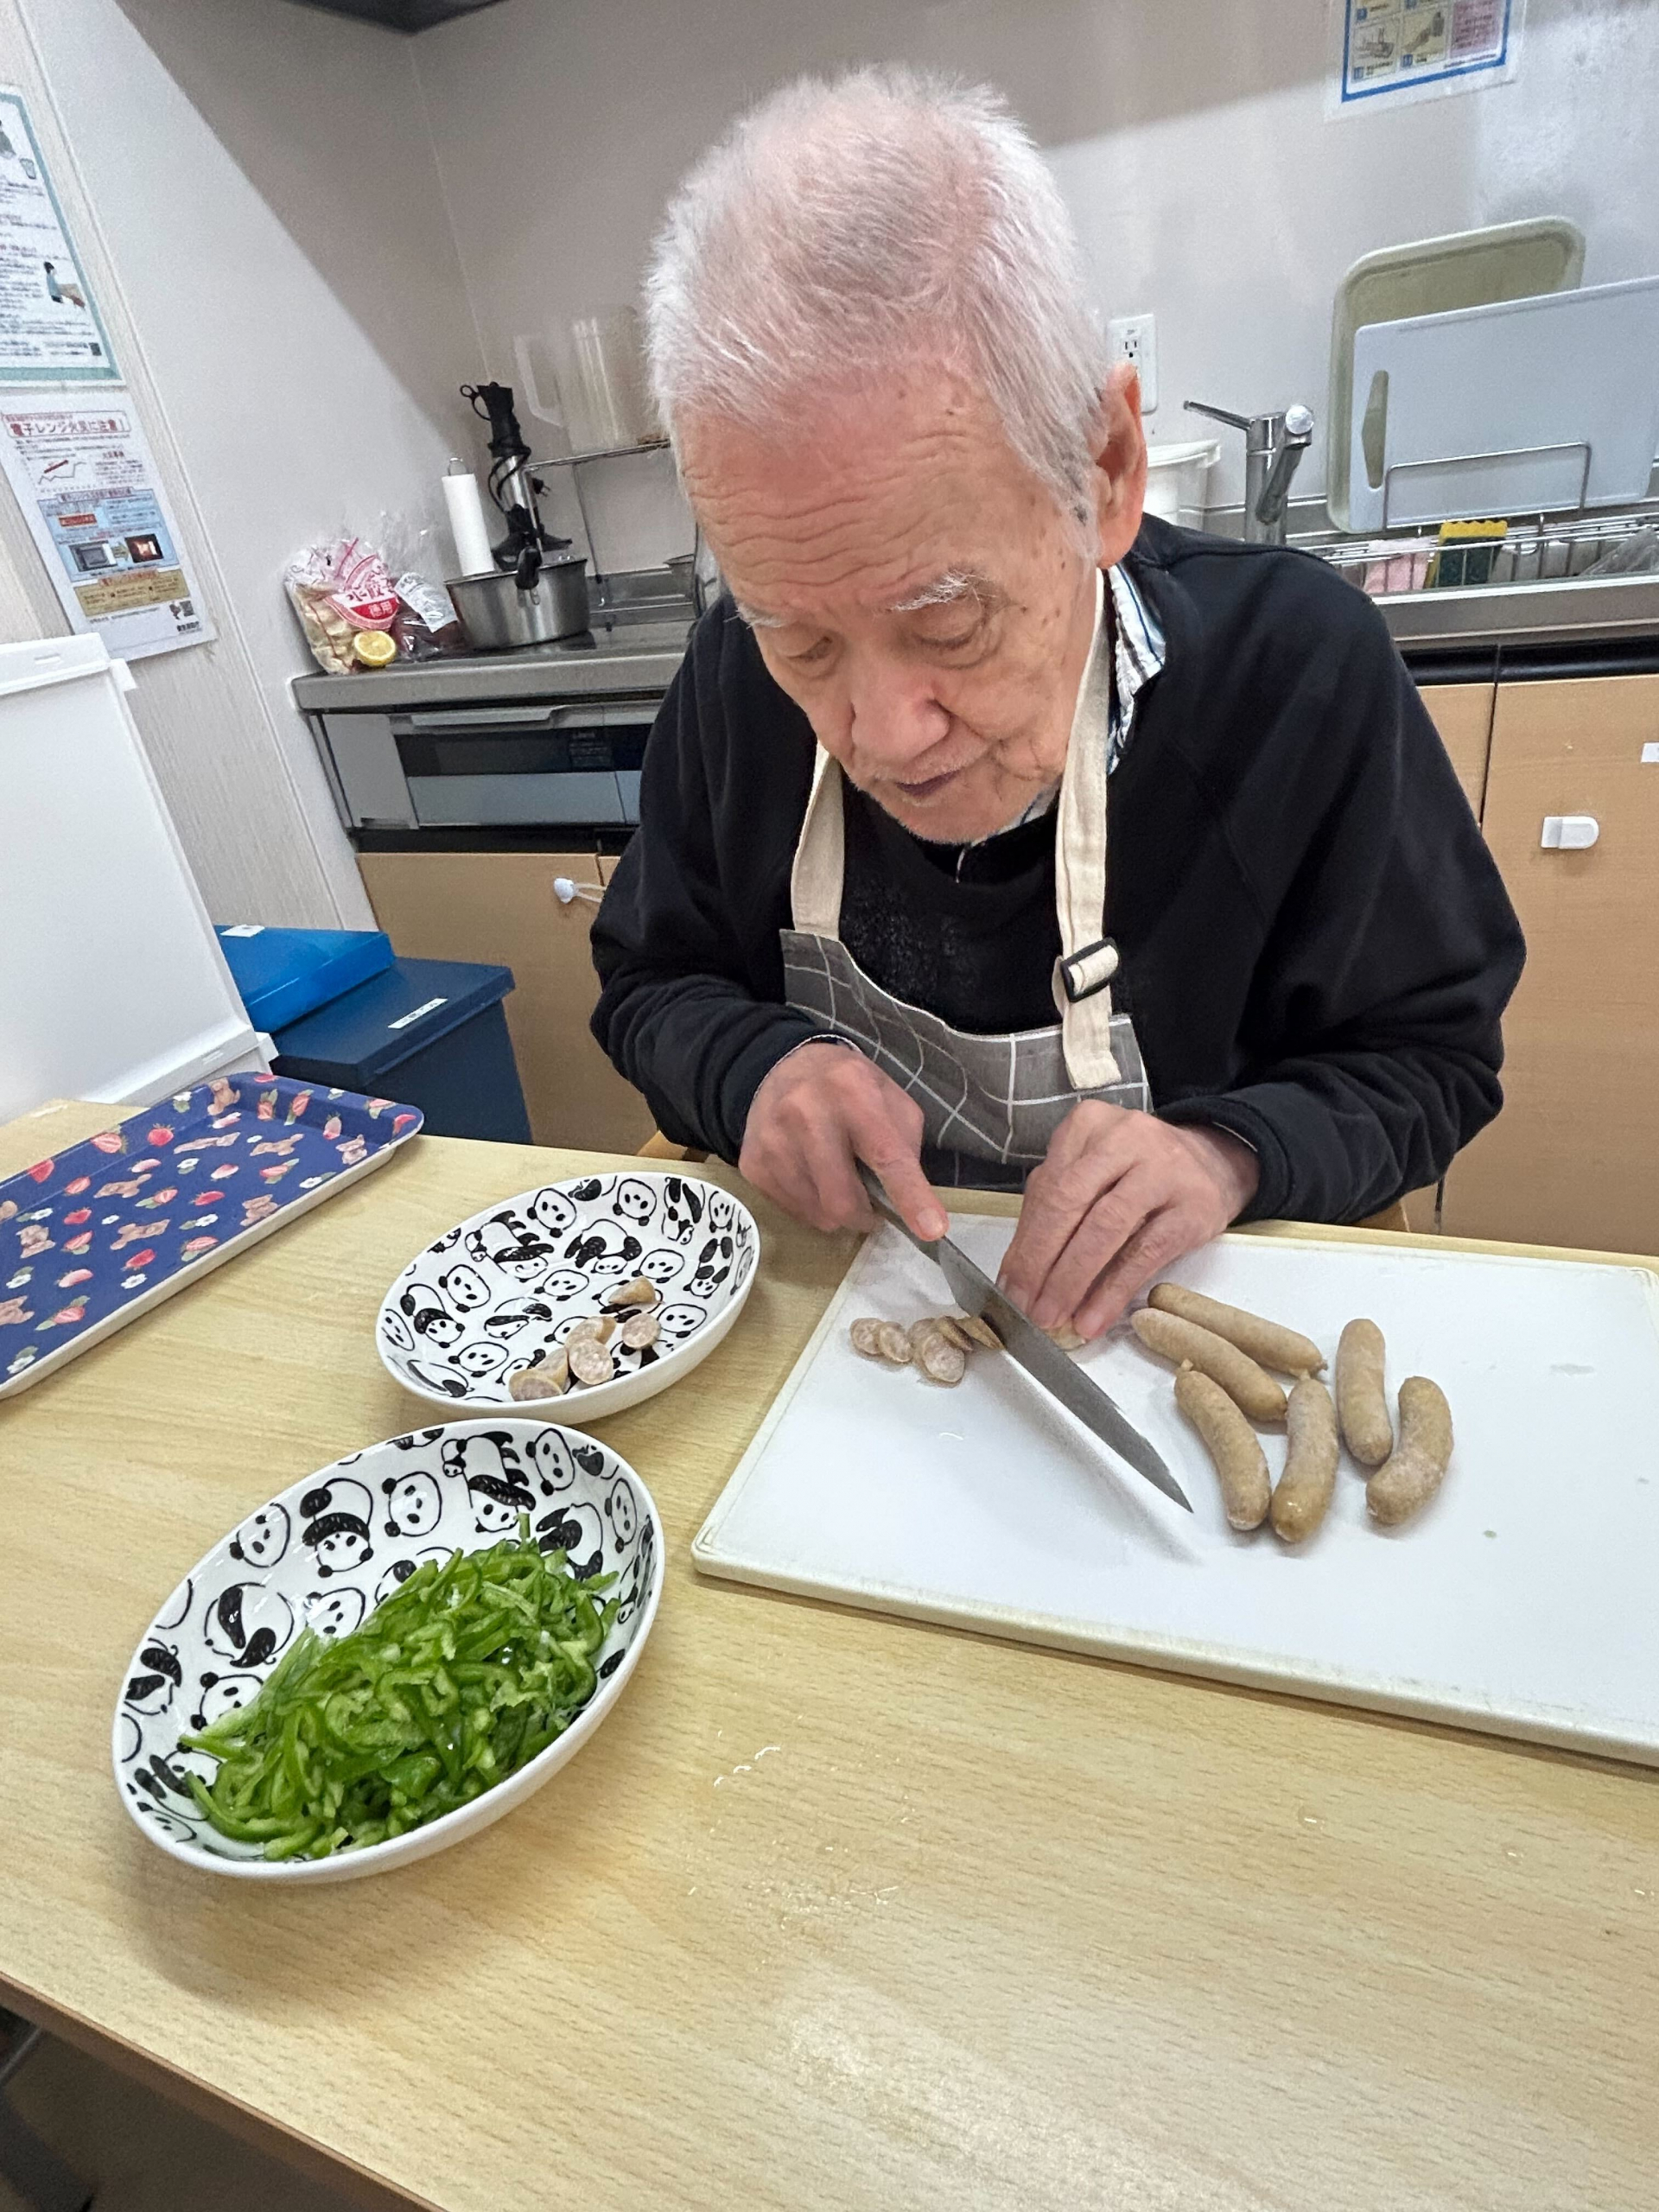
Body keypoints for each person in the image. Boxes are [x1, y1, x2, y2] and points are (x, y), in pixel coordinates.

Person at [591, 68, 1524, 1342]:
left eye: (947, 624)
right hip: (847, 1324)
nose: (881, 736)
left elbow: (1430, 1059)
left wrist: (1232, 1153)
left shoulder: (1297, 673)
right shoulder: (733, 678)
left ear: (1108, 471)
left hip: (1177, 1331)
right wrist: (751, 1070)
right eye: (803, 642)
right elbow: (650, 979)